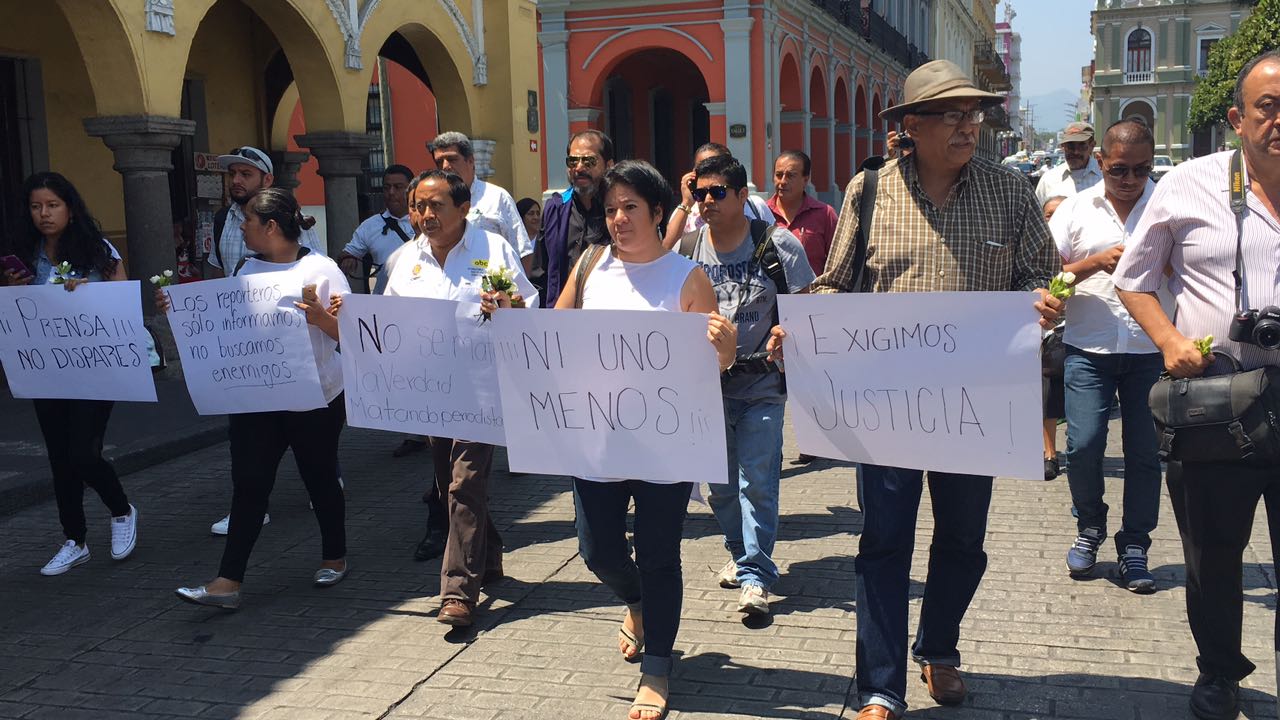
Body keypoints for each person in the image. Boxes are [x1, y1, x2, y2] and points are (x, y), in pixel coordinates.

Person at [769, 60, 1061, 720]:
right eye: (953, 115)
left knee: (963, 541)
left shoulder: (1010, 193)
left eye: (974, 114)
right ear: (910, 127)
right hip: (887, 407)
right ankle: (879, 685)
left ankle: (940, 649)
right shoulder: (869, 191)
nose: (968, 127)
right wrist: (802, 326)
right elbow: (835, 281)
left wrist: (1045, 303)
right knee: (883, 543)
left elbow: (1046, 276)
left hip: (974, 405)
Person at [1114, 49, 1280, 720]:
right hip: (1219, 397)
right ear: (1238, 119)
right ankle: (1219, 672)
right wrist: (1170, 341)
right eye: (1268, 107)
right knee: (1212, 554)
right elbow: (1134, 278)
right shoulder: (1188, 183)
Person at [554, 160, 737, 720]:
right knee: (597, 548)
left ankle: (657, 666)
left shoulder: (686, 278)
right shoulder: (589, 267)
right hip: (598, 441)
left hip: (665, 445)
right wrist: (508, 318)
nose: (618, 219)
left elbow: (716, 366)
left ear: (659, 213)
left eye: (630, 207)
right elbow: (553, 335)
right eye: (610, 209)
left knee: (660, 554)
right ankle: (636, 602)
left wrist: (725, 346)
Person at [172, 188, 351, 610]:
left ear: (270, 226)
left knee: (320, 477)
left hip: (315, 399)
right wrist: (177, 311)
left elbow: (351, 337)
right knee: (249, 485)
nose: (240, 227)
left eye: (247, 221)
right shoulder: (244, 268)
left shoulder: (322, 270)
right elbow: (226, 324)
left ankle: (334, 555)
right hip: (255, 399)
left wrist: (321, 317)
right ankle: (227, 582)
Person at [382, 170, 536, 624]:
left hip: (483, 386)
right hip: (431, 390)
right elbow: (389, 320)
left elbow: (527, 307)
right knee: (448, 478)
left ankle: (458, 590)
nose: (426, 215)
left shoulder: (493, 250)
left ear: (464, 207)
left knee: (464, 482)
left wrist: (507, 307)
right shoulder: (405, 259)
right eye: (419, 206)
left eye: (436, 206)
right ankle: (490, 554)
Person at [684, 153, 815, 617]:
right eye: (699, 193)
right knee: (719, 487)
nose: (706, 201)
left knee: (757, 479)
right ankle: (741, 554)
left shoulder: (778, 246)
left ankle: (756, 574)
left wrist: (787, 333)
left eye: (718, 193)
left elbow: (806, 309)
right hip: (707, 390)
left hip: (761, 384)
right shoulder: (688, 249)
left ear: (743, 196)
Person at [2, 172, 139, 576]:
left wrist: (87, 293)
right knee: (60, 458)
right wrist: (14, 288)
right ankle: (74, 539)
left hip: (95, 369)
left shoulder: (99, 251)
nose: (43, 214)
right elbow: (17, 316)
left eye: (52, 205)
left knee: (84, 452)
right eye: (35, 206)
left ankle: (121, 509)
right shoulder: (26, 253)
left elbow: (123, 302)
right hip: (47, 371)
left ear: (70, 208)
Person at [1051, 119, 1163, 593]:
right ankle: (1090, 525)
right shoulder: (1075, 209)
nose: (1131, 180)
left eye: (1141, 169)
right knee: (1084, 445)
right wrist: (1093, 263)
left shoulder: (1168, 206)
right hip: (1087, 345)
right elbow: (1048, 277)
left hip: (1150, 350)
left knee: (1144, 454)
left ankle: (1135, 544)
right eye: (1120, 169)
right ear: (1101, 161)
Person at [205, 145, 325, 536]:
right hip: (243, 343)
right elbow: (216, 273)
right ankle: (252, 506)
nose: (236, 181)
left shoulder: (296, 222)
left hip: (289, 343)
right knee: (244, 434)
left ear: (266, 180)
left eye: (246, 174)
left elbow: (315, 280)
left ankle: (325, 481)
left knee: (306, 431)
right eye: (232, 174)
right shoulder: (223, 219)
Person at [428, 132, 535, 275]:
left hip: (492, 292)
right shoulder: (436, 204)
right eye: (439, 162)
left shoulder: (497, 198)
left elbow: (523, 252)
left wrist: (517, 294)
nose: (446, 166)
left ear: (470, 161)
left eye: (452, 159)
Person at [530, 129, 614, 308]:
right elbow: (540, 274)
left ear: (609, 165)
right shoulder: (555, 208)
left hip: (607, 317)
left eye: (589, 161)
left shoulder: (618, 211)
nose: (579, 168)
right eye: (573, 161)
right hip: (561, 318)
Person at [662, 142, 775, 249]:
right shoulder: (685, 210)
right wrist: (686, 203)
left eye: (718, 192)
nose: (708, 200)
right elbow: (667, 250)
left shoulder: (755, 205)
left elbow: (774, 241)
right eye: (703, 168)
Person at [767, 150, 839, 275]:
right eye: (778, 175)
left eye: (790, 176)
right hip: (772, 294)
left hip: (812, 292)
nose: (783, 181)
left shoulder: (825, 214)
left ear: (805, 180)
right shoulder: (762, 213)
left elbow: (838, 262)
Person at [1041, 195, 1068, 480]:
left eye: (1060, 213)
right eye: (1049, 214)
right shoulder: (1034, 245)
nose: (1054, 219)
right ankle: (1050, 452)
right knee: (1047, 393)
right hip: (1046, 334)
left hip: (1079, 331)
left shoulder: (1082, 246)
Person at [1035, 122, 1103, 206]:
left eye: (1082, 145)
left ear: (1092, 146)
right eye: (1070, 146)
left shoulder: (1104, 176)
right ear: (1063, 146)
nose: (1076, 152)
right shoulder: (1049, 180)